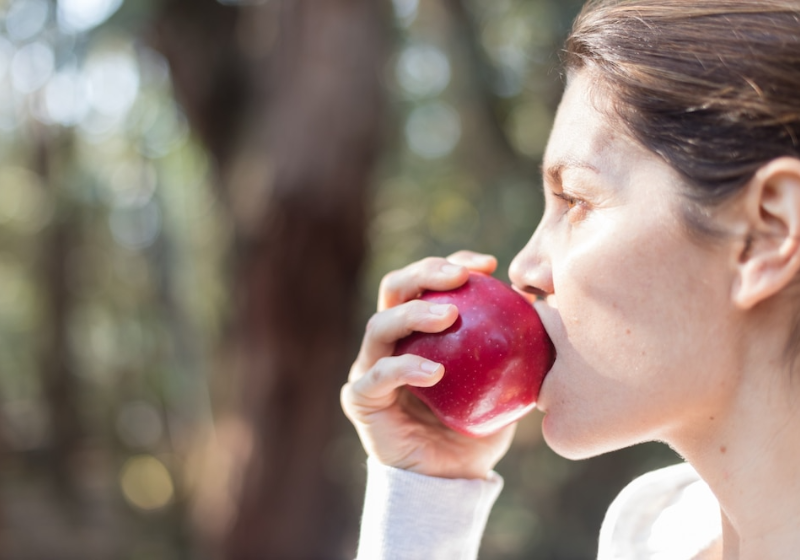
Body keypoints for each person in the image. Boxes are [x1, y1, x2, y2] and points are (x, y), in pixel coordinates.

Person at [340, 0, 800, 558]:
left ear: (765, 234)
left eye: (575, 200)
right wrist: (427, 500)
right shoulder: (651, 541)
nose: (523, 269)